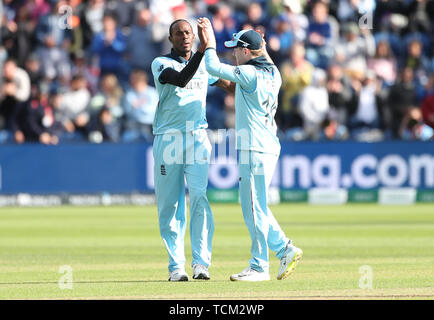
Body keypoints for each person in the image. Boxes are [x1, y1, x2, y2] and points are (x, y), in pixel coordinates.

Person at [198, 17, 303, 282]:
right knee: (254, 205)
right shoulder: (273, 72)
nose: (232, 52)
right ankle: (284, 248)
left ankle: (259, 267)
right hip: (264, 144)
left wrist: (208, 41)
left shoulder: (249, 72)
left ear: (246, 51)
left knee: (254, 207)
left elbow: (212, 64)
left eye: (235, 48)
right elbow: (238, 88)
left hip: (256, 146)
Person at [150, 19, 232, 282]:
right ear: (170, 38)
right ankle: (176, 266)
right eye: (179, 33)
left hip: (197, 138)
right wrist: (204, 50)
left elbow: (231, 85)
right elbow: (182, 80)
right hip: (168, 139)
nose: (185, 36)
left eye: (188, 32)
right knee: (170, 205)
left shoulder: (205, 64)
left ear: (194, 36)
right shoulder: (161, 63)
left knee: (199, 197)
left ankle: (201, 263)